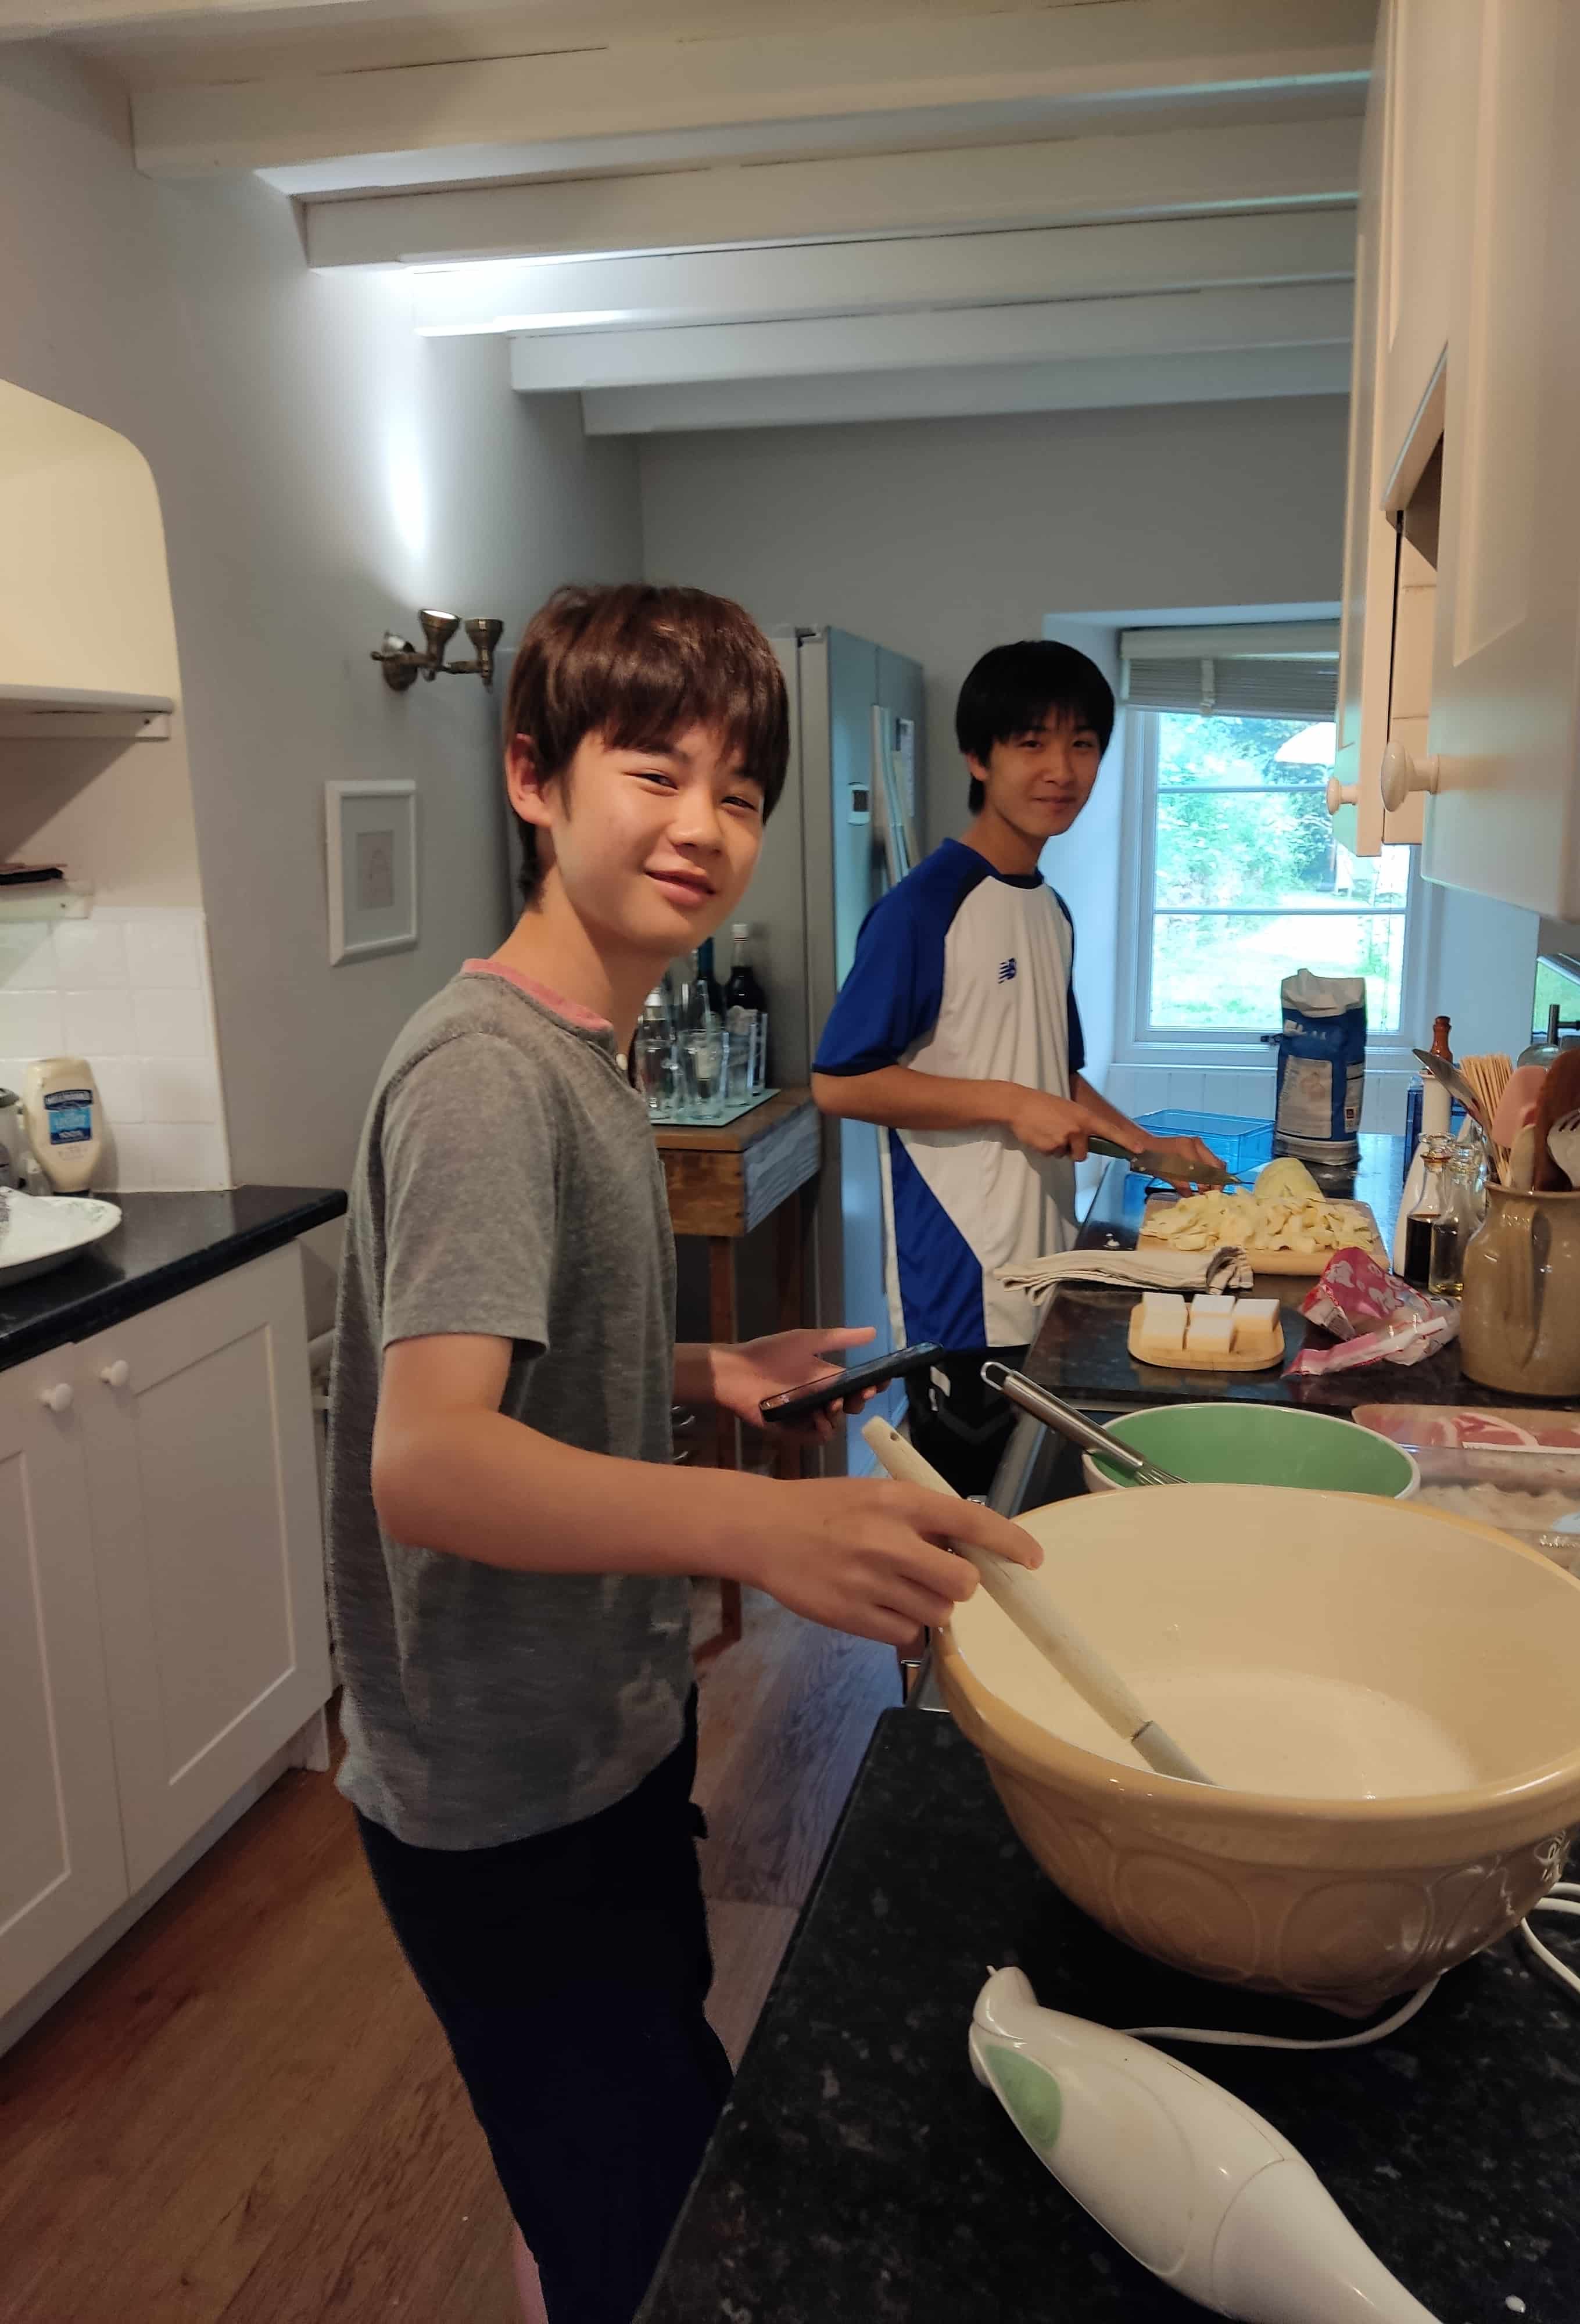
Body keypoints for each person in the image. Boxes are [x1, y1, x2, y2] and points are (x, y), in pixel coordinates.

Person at [324, 582, 1040, 2324]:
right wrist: (758, 1528)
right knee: (670, 2230)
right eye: (654, 772)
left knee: (605, 2195)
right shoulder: (485, 1078)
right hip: (502, 1800)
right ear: (533, 779)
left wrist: (710, 1369)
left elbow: (535, 1385)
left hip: (605, 1741)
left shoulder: (587, 1052)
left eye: (738, 791)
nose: (703, 826)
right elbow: (429, 1465)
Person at [811, 638, 1221, 1494]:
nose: (1062, 770)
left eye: (1083, 745)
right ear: (978, 756)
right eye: (1032, 743)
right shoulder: (924, 907)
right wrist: (1005, 1103)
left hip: (1045, 1262)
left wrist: (1147, 1147)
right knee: (964, 1552)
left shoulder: (1050, 910)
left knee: (1031, 1525)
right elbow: (841, 1080)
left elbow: (1057, 1074)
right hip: (959, 1283)